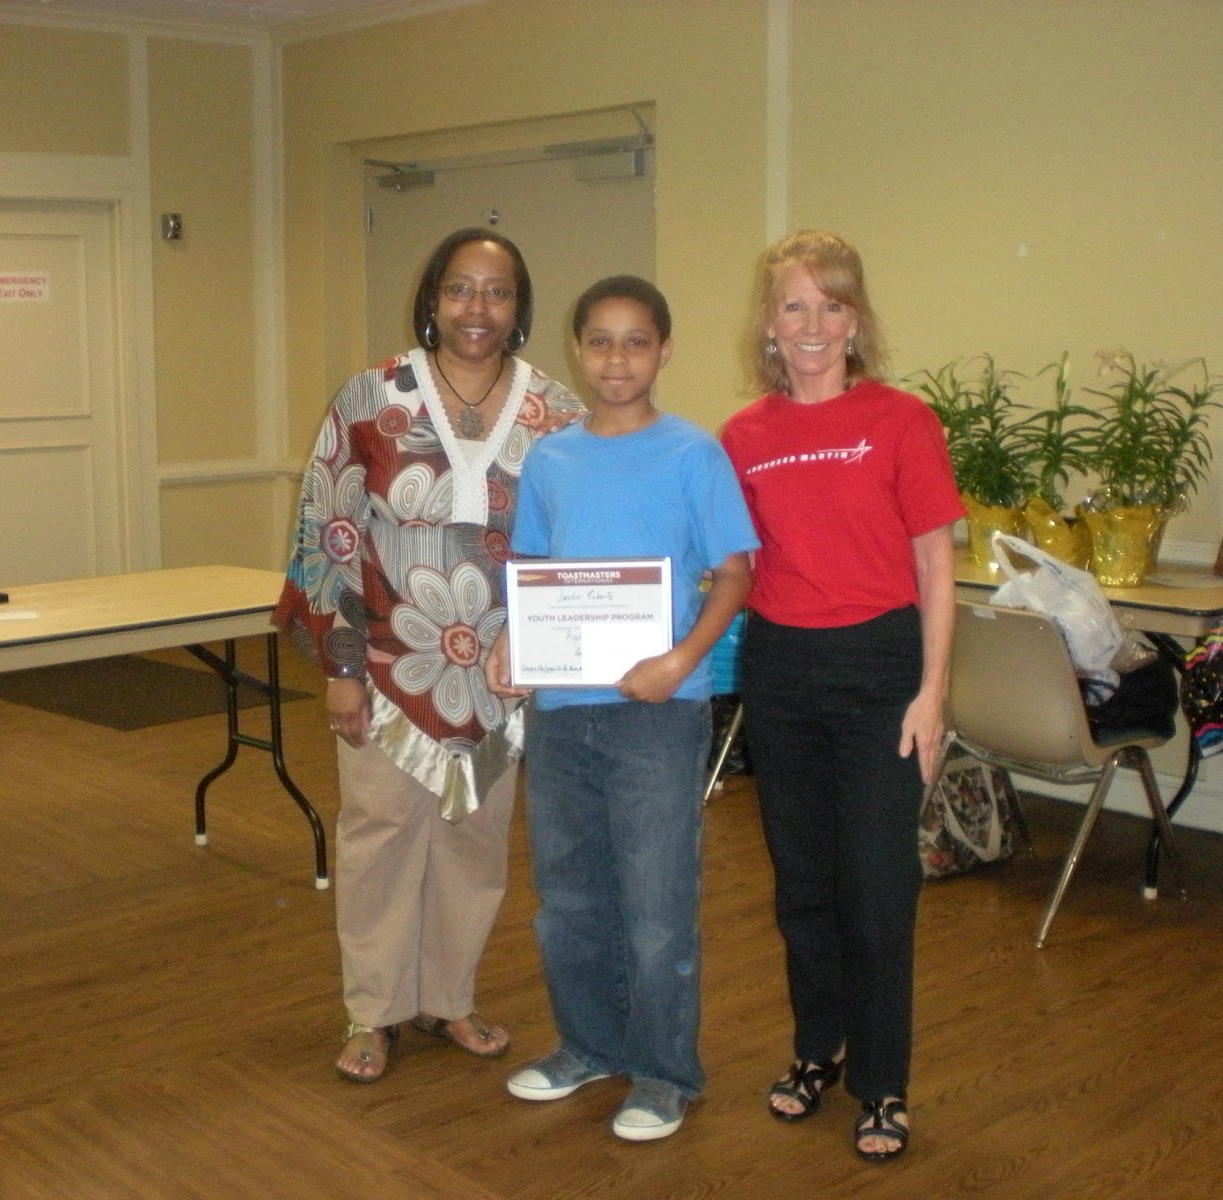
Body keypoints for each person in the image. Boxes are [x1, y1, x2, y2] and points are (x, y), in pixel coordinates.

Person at [274, 228, 583, 1084]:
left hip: (500, 678)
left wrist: (548, 651)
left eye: (497, 291)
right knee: (379, 840)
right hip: (388, 667)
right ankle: (372, 1012)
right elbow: (329, 531)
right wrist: (341, 669)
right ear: (433, 299)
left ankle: (449, 997)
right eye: (460, 288)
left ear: (519, 308)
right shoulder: (371, 397)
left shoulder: (556, 410)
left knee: (474, 845)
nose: (477, 307)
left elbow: (572, 544)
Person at [488, 275, 758, 1141]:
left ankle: (665, 1072)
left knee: (655, 903)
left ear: (664, 351)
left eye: (636, 341)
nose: (617, 359)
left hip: (659, 713)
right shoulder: (552, 459)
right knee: (568, 898)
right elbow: (533, 570)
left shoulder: (693, 455)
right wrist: (511, 641)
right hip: (563, 711)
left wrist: (681, 660)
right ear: (577, 350)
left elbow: (736, 574)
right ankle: (588, 1045)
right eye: (600, 341)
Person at [718, 231, 962, 1162]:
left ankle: (883, 1081)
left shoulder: (902, 421)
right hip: (781, 670)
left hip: (880, 671)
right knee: (804, 884)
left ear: (855, 320)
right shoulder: (744, 436)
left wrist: (932, 693)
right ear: (770, 323)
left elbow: (936, 567)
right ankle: (817, 1048)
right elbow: (731, 566)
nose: (812, 324)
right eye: (794, 305)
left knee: (878, 887)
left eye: (831, 304)